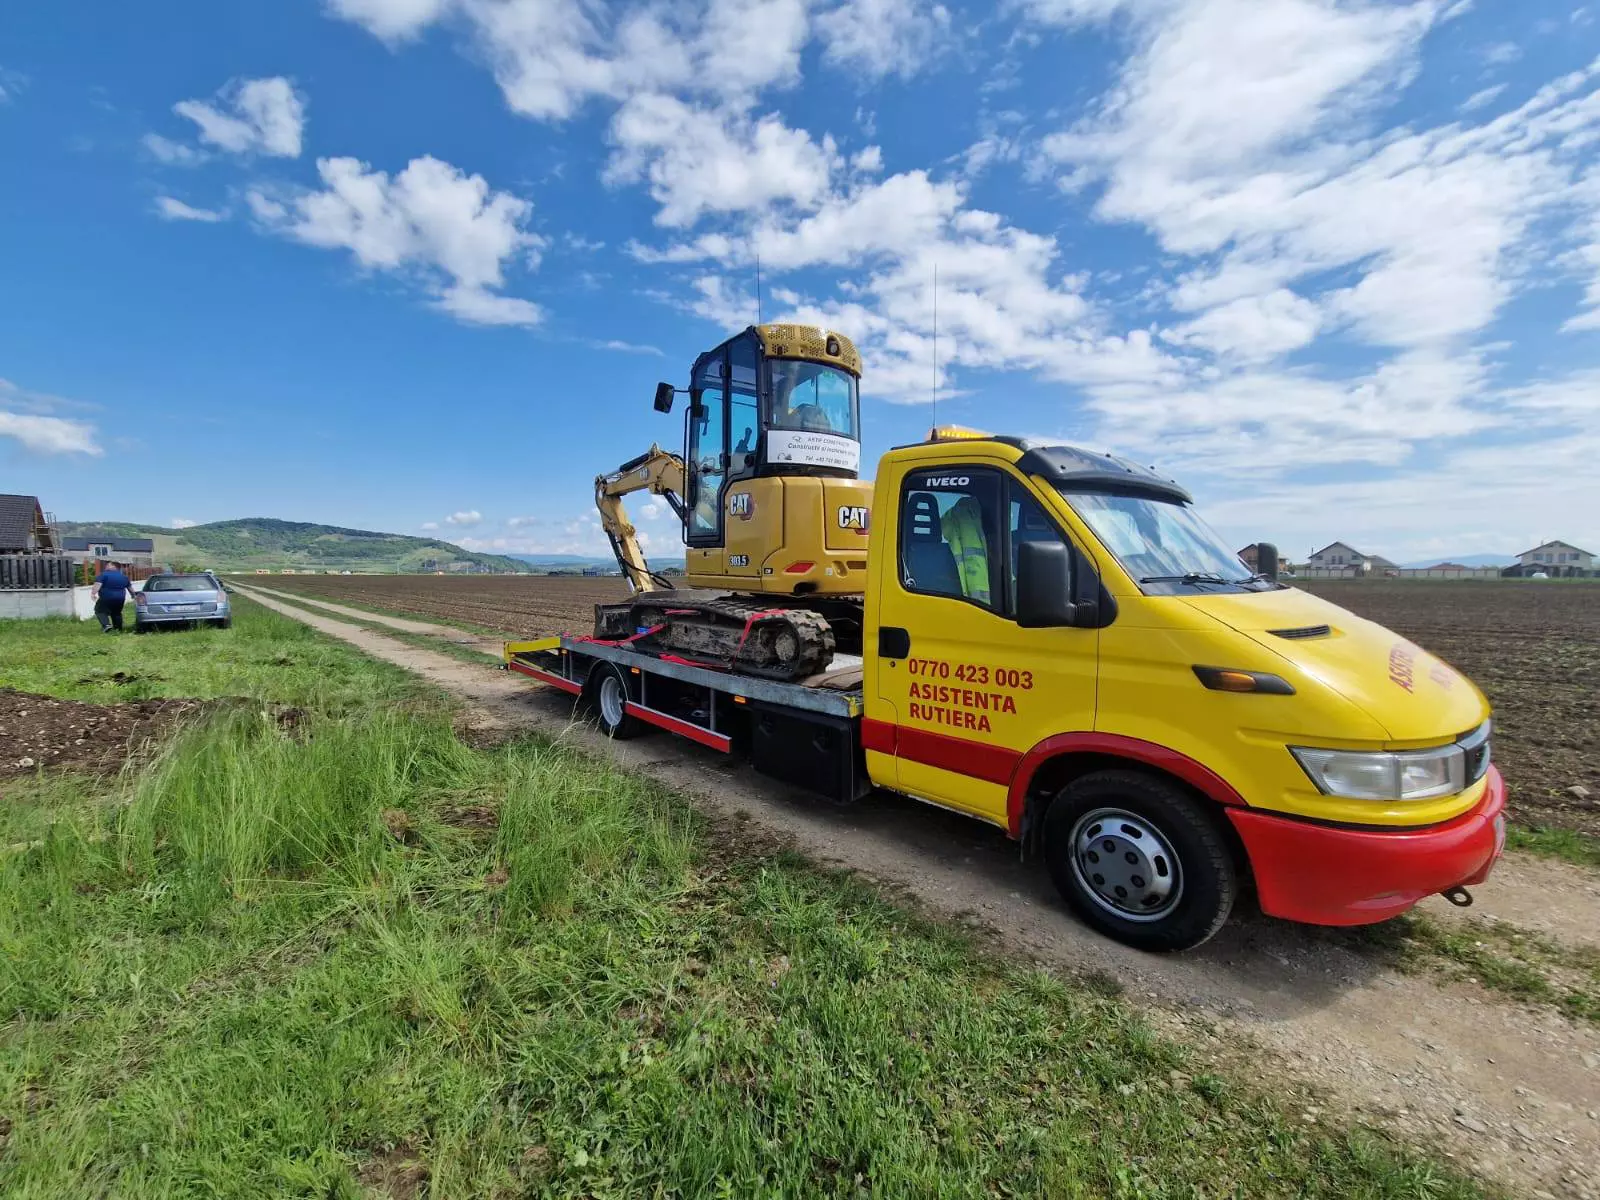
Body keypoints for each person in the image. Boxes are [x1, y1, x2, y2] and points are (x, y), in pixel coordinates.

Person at [91, 561, 133, 633]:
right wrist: (133, 595)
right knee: (116, 613)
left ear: (114, 567)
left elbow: (98, 584)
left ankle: (106, 625)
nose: (106, 566)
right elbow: (130, 588)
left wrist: (93, 593)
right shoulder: (124, 577)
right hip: (120, 598)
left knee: (99, 611)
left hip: (106, 597)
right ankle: (118, 629)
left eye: (108, 565)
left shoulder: (103, 575)